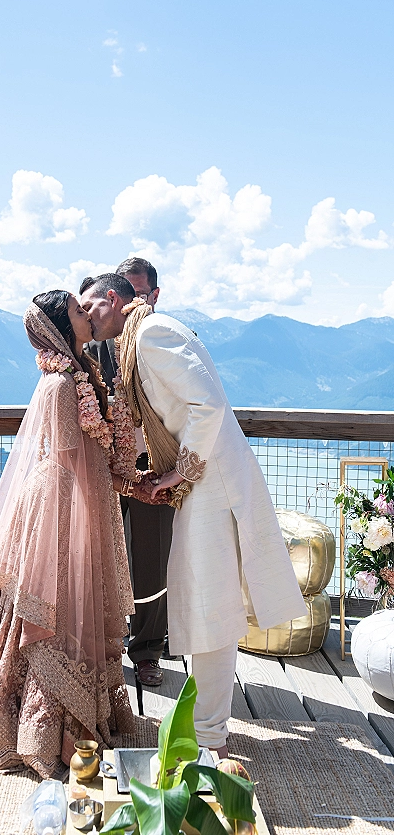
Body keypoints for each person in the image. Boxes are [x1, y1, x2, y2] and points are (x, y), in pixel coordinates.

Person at [80, 274, 306, 757]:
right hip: (203, 482)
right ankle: (208, 728)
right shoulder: (141, 336)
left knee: (210, 607)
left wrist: (180, 472)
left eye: (89, 306)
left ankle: (209, 737)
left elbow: (209, 405)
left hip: (212, 483)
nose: (86, 316)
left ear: (113, 299)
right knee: (204, 602)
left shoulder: (152, 334)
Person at [0, 291, 148, 779]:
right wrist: (90, 503)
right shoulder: (60, 385)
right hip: (59, 504)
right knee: (52, 603)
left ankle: (80, 707)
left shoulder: (82, 374)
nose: (87, 314)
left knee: (76, 601)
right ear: (59, 327)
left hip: (77, 499)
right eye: (78, 311)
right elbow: (65, 456)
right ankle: (41, 724)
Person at [81, 257, 174, 687]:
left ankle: (148, 650)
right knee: (99, 557)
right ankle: (103, 647)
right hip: (105, 469)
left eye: (140, 295)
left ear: (154, 296)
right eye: (127, 295)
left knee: (152, 560)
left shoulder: (165, 340)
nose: (131, 305)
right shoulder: (94, 345)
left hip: (153, 466)